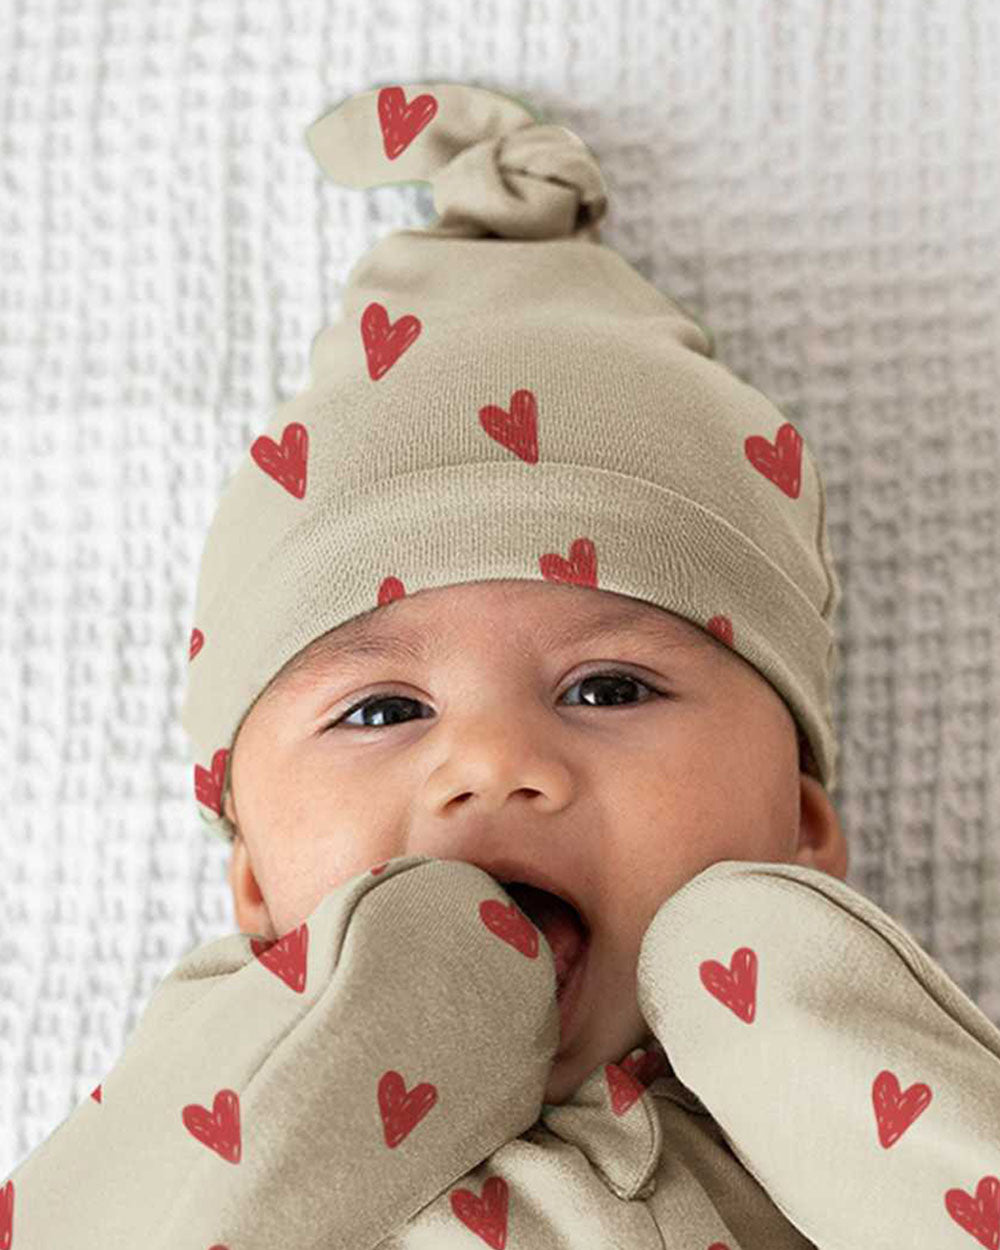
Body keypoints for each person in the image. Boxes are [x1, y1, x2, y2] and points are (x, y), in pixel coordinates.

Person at [5, 80, 999, 1250]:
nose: (491, 758)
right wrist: (382, 1000)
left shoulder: (821, 1146)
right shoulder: (202, 1126)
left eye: (607, 688)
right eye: (381, 708)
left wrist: (803, 1009)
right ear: (257, 885)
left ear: (802, 827)